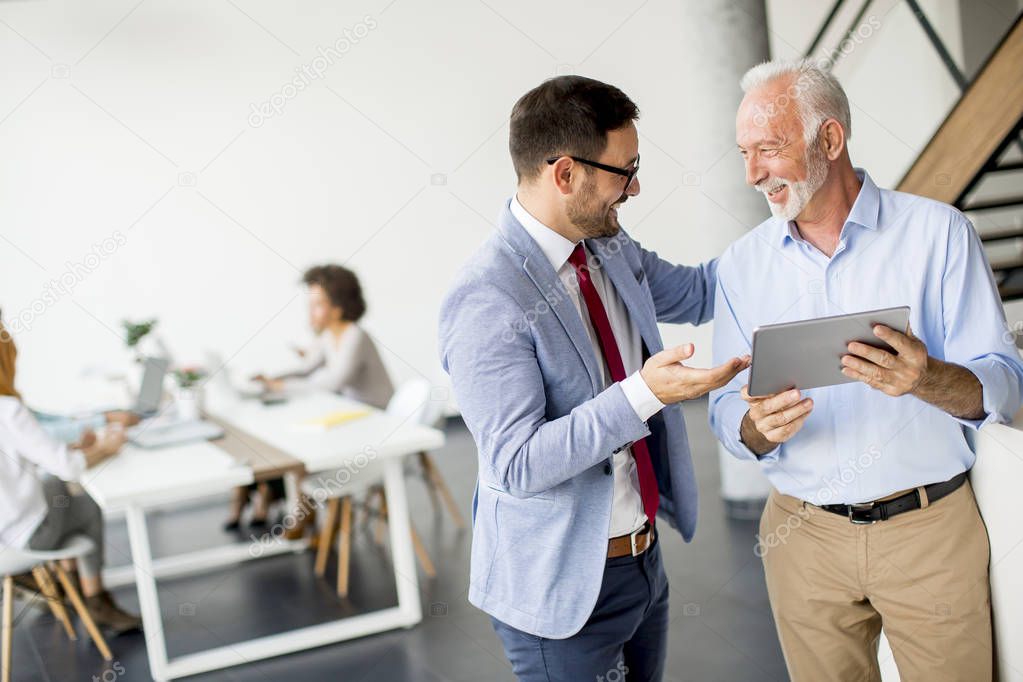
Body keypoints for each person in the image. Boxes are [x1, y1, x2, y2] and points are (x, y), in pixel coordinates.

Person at [709, 59, 1023, 681]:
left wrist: (928, 378)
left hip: (928, 533)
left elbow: (1007, 383)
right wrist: (755, 428)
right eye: (744, 153)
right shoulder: (741, 267)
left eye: (769, 150)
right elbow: (725, 411)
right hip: (800, 535)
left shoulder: (939, 234)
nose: (752, 174)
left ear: (830, 139)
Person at [438, 75, 750, 682]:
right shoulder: (486, 296)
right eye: (623, 172)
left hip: (641, 561)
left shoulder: (605, 243)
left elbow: (700, 289)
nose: (635, 188)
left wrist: (798, 213)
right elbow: (517, 463)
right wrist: (643, 395)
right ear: (565, 174)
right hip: (559, 593)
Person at [226, 264, 395, 530]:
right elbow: (305, 370)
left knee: (303, 443)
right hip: (352, 416)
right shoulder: (329, 335)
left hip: (374, 422)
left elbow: (331, 382)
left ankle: (302, 512)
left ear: (338, 307)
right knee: (293, 436)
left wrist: (278, 387)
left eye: (318, 304)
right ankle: (300, 510)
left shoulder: (355, 336)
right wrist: (269, 381)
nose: (310, 312)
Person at [0, 321, 143, 634]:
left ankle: (69, 581)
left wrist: (70, 449)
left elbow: (31, 457)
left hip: (3, 535)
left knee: (57, 486)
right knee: (86, 504)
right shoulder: (7, 409)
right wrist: (105, 448)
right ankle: (95, 598)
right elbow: (68, 467)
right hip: (25, 538)